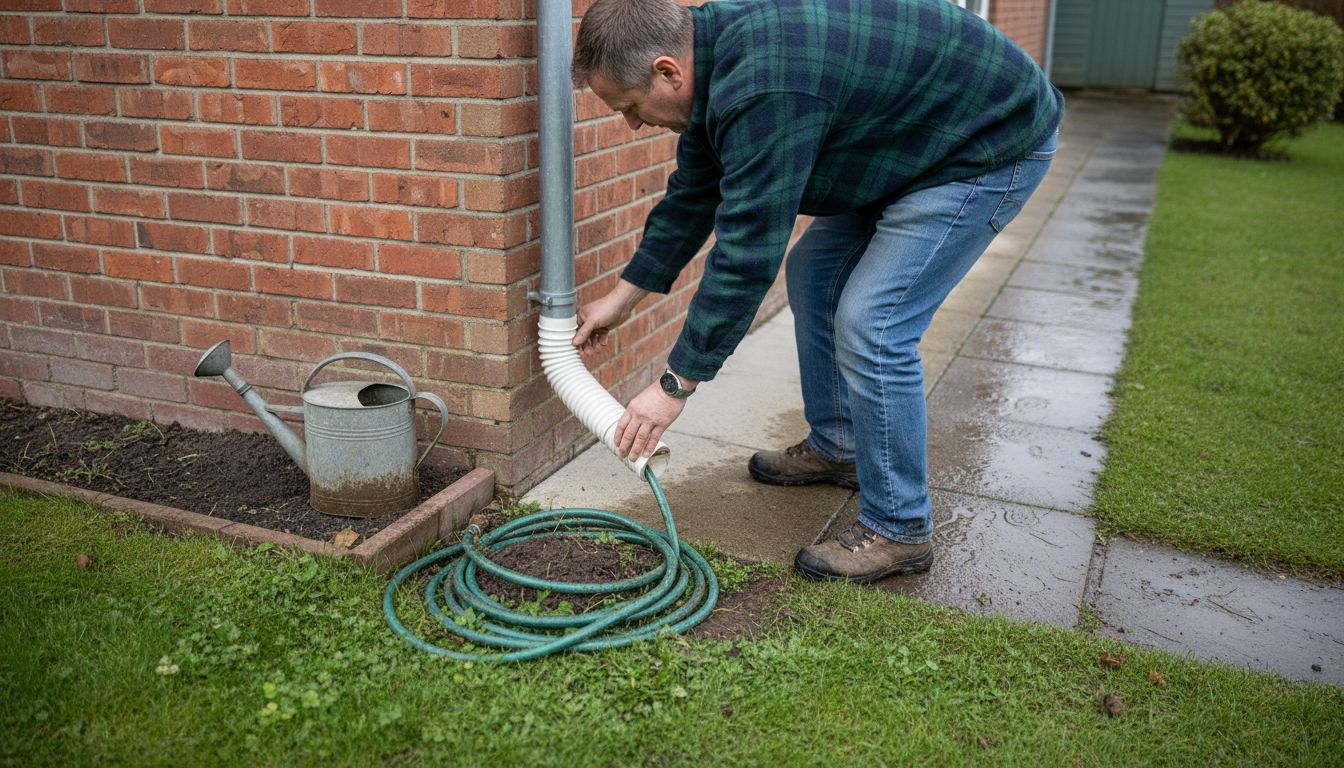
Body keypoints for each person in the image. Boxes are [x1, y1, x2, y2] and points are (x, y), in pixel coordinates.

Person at [569, 0, 1064, 583]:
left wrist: (675, 384)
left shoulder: (763, 86)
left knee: (873, 323)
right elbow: (693, 196)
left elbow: (748, 252)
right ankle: (839, 446)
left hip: (984, 143)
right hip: (909, 142)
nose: (631, 124)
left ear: (667, 71)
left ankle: (899, 527)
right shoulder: (714, 65)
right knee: (814, 273)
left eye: (629, 107)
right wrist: (621, 298)